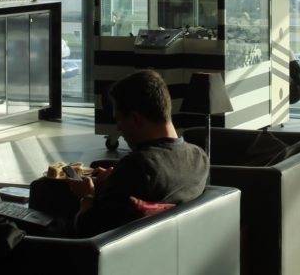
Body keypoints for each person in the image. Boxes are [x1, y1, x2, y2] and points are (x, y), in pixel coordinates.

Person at [65, 69, 209, 237]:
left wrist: (87, 195)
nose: (118, 128)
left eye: (119, 119)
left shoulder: (138, 166)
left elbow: (87, 229)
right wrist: (113, 181)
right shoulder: (199, 157)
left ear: (135, 119)